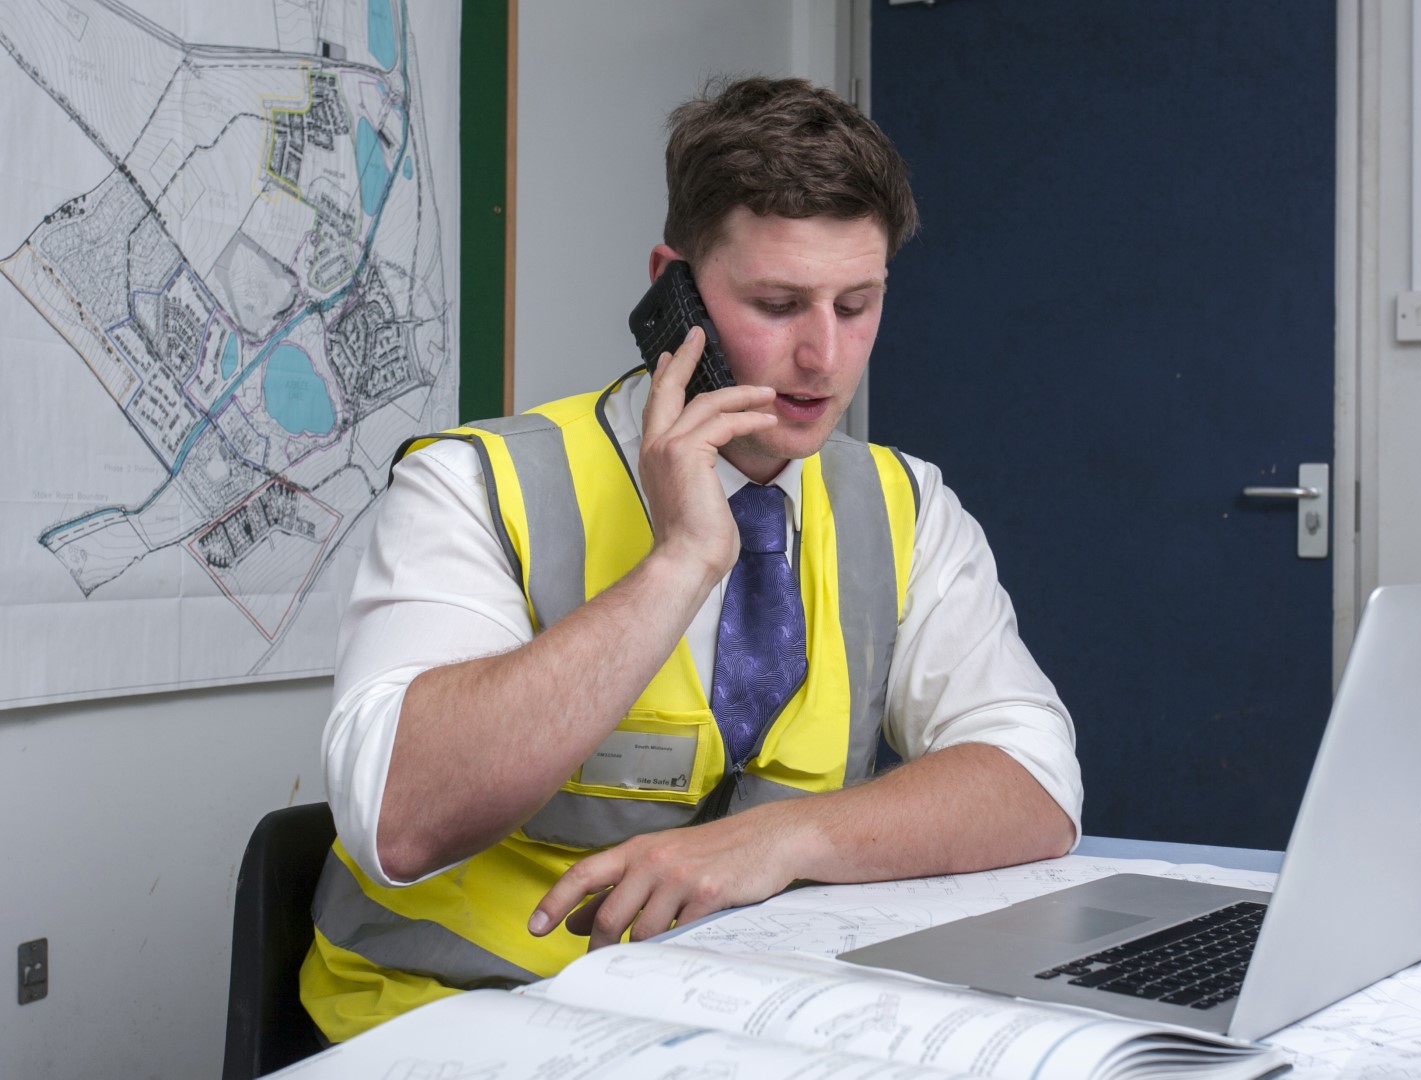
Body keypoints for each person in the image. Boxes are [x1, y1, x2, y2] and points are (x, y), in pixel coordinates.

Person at [299, 75, 1082, 1042]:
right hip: (455, 1020)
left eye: (858, 304)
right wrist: (680, 563)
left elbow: (1036, 781)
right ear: (674, 284)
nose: (824, 358)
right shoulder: (471, 485)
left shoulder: (905, 505)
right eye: (779, 303)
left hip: (739, 1026)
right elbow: (399, 820)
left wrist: (780, 840)